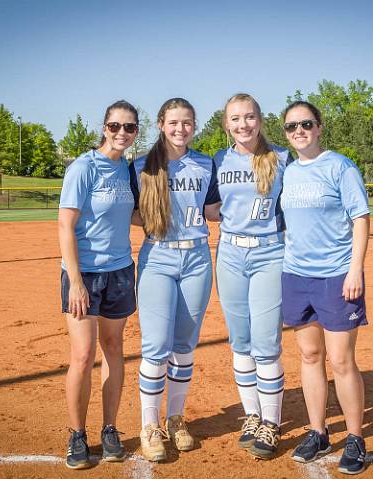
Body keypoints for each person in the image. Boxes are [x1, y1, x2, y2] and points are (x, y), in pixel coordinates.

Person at [280, 101, 371, 475]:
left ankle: (355, 438)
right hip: (296, 275)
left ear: (318, 128)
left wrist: (355, 271)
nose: (298, 131)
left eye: (305, 124)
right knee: (310, 356)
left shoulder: (340, 166)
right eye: (291, 126)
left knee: (342, 360)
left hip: (336, 276)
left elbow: (361, 219)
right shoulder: (286, 171)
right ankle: (318, 432)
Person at [132, 98, 220, 462]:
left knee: (184, 345)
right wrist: (156, 220)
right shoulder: (140, 166)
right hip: (158, 256)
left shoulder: (204, 163)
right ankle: (149, 424)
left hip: (198, 257)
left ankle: (175, 418)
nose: (180, 128)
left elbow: (213, 211)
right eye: (173, 122)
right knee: (155, 346)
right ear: (161, 124)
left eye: (187, 123)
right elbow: (132, 212)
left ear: (194, 126)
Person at [57, 101, 140, 469]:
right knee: (82, 354)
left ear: (136, 132)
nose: (121, 133)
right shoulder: (84, 167)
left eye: (129, 127)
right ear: (104, 128)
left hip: (120, 270)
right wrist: (75, 281)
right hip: (85, 275)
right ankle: (77, 434)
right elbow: (65, 226)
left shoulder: (127, 169)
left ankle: (110, 429)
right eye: (115, 126)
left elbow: (135, 214)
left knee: (113, 347)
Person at [209, 93, 292, 459]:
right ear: (227, 124)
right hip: (228, 253)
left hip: (269, 252)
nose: (243, 124)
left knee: (265, 342)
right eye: (235, 118)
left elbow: (294, 210)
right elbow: (211, 208)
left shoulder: (282, 160)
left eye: (249, 117)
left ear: (260, 120)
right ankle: (252, 416)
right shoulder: (217, 161)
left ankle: (271, 423)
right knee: (240, 341)